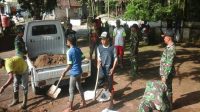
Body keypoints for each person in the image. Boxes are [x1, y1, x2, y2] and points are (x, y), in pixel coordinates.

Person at [62, 36, 86, 111]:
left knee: (71, 90)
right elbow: (83, 57)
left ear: (69, 42)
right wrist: (78, 61)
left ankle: (70, 107)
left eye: (67, 41)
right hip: (79, 71)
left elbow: (70, 65)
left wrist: (64, 72)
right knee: (79, 87)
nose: (66, 42)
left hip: (74, 73)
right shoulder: (78, 49)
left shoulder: (69, 51)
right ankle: (84, 102)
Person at [97, 31, 118, 109]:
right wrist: (98, 64)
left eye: (104, 39)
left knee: (110, 87)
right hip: (102, 69)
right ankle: (104, 96)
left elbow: (116, 59)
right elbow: (99, 58)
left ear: (108, 39)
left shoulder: (113, 48)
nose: (102, 40)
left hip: (109, 70)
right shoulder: (99, 47)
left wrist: (113, 68)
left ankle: (111, 102)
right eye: (101, 39)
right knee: (104, 84)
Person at [160, 30, 176, 110]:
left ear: (169, 38)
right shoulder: (169, 47)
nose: (164, 38)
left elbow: (169, 64)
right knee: (167, 89)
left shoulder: (171, 49)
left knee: (168, 90)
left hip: (168, 73)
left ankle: (169, 107)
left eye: (165, 37)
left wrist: (164, 76)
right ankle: (168, 105)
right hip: (165, 72)